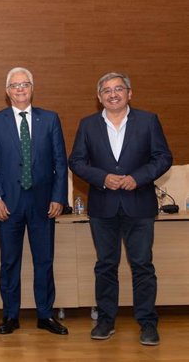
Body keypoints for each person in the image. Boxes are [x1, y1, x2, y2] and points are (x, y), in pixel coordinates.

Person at [69, 72, 171, 346]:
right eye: (106, 91)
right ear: (99, 97)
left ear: (129, 93)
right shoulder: (88, 125)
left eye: (118, 89)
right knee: (105, 266)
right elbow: (76, 161)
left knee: (142, 267)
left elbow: (163, 157)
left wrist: (137, 177)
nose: (112, 94)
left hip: (139, 205)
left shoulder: (148, 121)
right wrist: (102, 178)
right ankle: (105, 320)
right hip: (103, 207)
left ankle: (148, 323)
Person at [0, 67, 68, 336]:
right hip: (8, 204)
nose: (20, 89)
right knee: (10, 262)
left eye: (25, 84)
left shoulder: (50, 119)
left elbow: (60, 162)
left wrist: (59, 197)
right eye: (15, 85)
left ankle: (45, 314)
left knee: (44, 261)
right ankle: (11, 315)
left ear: (32, 88)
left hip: (44, 203)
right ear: (7, 91)